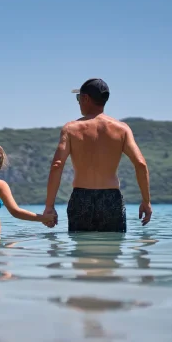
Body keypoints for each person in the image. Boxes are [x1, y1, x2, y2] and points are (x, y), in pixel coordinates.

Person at [44, 78, 152, 232]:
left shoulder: (71, 129)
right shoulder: (122, 129)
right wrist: (146, 201)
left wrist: (49, 207)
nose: (78, 102)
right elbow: (141, 164)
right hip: (111, 199)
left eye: (78, 98)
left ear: (86, 98)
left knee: (82, 252)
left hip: (81, 198)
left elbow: (57, 165)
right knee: (111, 251)